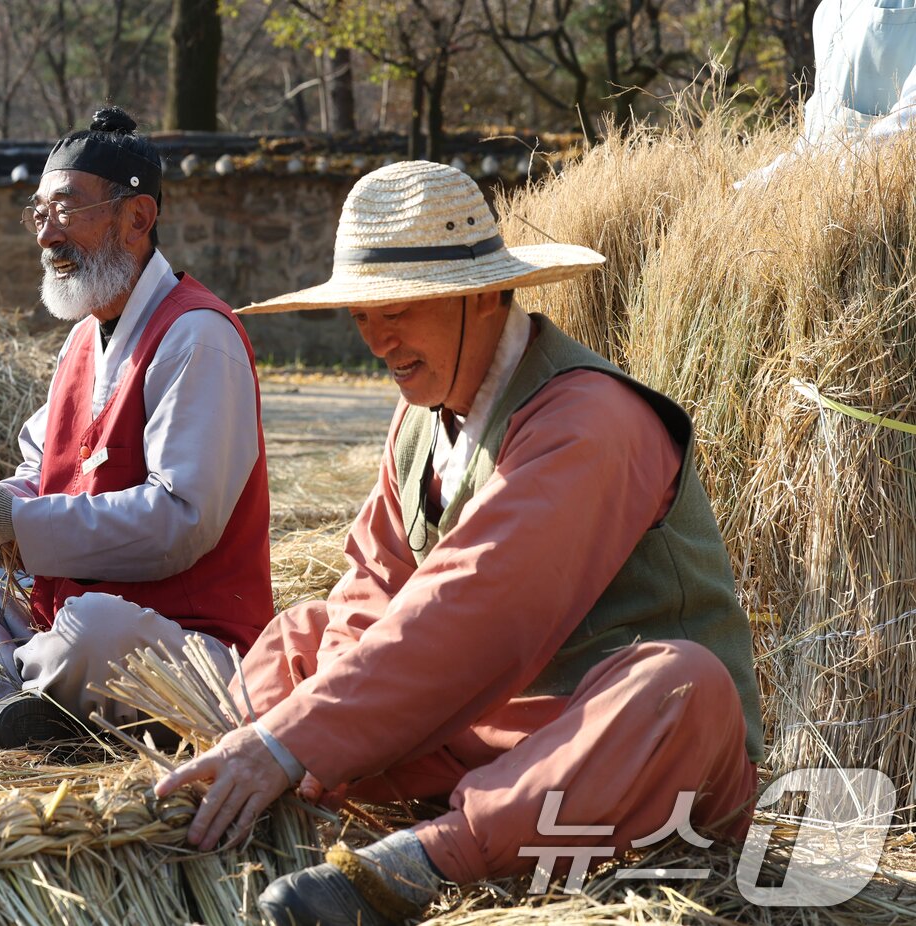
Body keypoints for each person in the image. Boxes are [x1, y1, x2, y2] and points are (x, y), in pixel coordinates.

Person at [156, 161, 764, 926]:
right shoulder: (422, 418)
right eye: (360, 315)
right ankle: (206, 784)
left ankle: (425, 862)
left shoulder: (590, 418)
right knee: (305, 637)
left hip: (597, 749)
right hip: (476, 732)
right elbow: (371, 592)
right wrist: (283, 732)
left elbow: (478, 603)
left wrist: (293, 740)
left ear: (482, 295)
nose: (377, 338)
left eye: (398, 308)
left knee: (682, 687)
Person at [0, 107, 274, 747]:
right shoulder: (82, 340)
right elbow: (45, 476)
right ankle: (18, 710)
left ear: (136, 219)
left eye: (66, 211)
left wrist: (15, 523)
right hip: (55, 618)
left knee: (90, 631)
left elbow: (181, 521)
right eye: (40, 214)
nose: (46, 236)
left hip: (182, 641)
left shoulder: (198, 336)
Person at [743, 0, 916, 185]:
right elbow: (819, 136)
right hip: (833, 197)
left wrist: (830, 176)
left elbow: (909, 118)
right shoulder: (827, 10)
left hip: (888, 196)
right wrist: (759, 183)